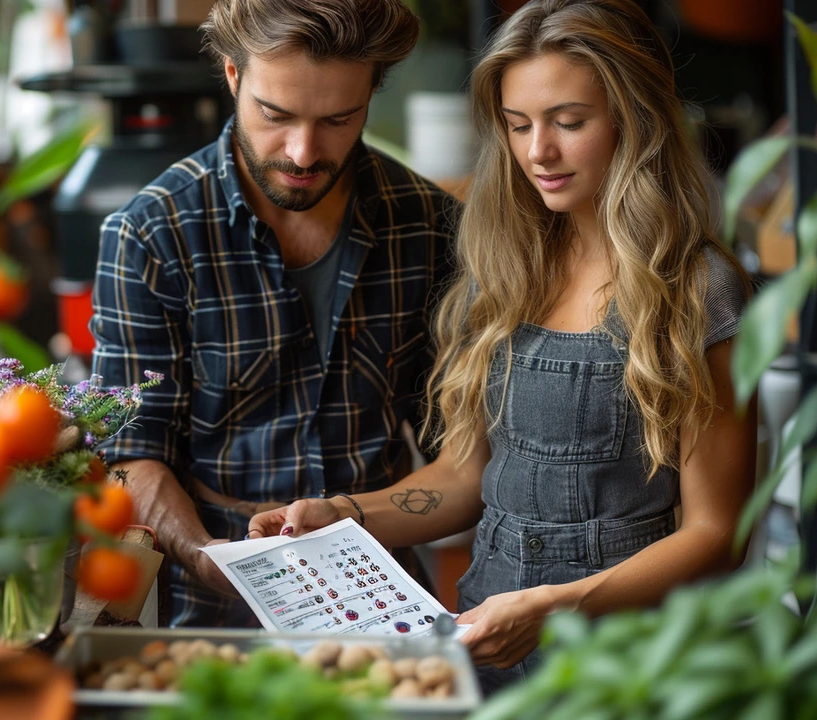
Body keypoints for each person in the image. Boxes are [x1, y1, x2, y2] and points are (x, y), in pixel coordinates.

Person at [248, 0, 756, 694]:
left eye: (568, 123)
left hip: (631, 665)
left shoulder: (697, 289)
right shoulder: (506, 270)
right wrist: (344, 513)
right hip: (487, 643)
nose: (537, 151)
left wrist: (555, 606)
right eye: (518, 126)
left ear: (634, 121)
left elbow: (716, 534)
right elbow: (463, 480)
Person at [90, 0, 459, 628]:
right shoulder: (152, 235)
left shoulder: (427, 225)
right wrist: (211, 557)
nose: (303, 151)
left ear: (373, 89)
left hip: (379, 592)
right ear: (233, 75)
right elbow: (131, 452)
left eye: (339, 118)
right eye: (275, 114)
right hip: (207, 597)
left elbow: (460, 454)